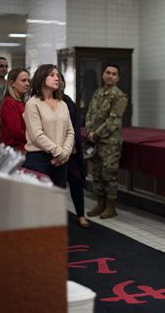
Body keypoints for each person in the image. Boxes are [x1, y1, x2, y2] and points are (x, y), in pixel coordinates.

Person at [85, 64, 128, 219]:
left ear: (117, 78)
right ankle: (100, 203)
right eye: (108, 73)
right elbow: (89, 113)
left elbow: (113, 121)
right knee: (96, 174)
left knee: (109, 175)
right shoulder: (97, 93)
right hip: (95, 142)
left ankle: (111, 207)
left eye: (114, 74)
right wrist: (89, 130)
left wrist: (96, 134)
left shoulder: (120, 96)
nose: (110, 76)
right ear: (103, 75)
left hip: (110, 143)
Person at [23, 64, 74, 188]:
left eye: (57, 75)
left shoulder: (62, 104)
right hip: (39, 159)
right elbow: (37, 135)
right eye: (52, 75)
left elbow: (70, 131)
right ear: (41, 78)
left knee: (57, 200)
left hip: (61, 160)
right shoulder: (32, 104)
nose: (57, 78)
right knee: (39, 202)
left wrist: (65, 152)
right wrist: (59, 152)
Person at [60, 73, 89, 228]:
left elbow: (75, 127)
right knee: (57, 186)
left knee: (76, 183)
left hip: (73, 151)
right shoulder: (45, 102)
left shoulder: (68, 102)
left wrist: (73, 146)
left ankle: (80, 214)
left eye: (62, 81)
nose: (60, 83)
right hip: (56, 151)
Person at [0, 68, 30, 152]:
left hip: (25, 148)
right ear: (12, 83)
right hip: (16, 151)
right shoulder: (9, 103)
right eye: (23, 81)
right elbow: (16, 132)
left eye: (28, 80)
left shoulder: (22, 102)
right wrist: (35, 140)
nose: (27, 83)